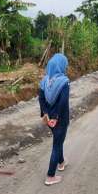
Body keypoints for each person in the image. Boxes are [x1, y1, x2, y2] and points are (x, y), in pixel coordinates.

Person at [39, 53, 70, 186]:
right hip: (60, 118)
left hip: (49, 119)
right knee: (57, 145)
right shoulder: (64, 82)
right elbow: (63, 102)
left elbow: (41, 99)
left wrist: (46, 113)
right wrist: (56, 117)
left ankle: (61, 162)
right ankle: (50, 176)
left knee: (58, 139)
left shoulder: (44, 81)